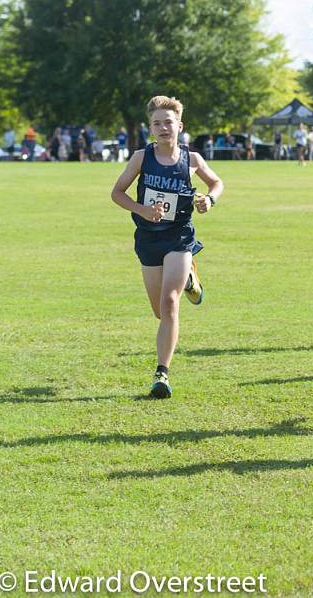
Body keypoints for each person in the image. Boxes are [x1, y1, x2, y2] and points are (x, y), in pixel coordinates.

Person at [110, 96, 223, 399]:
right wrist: (142, 209)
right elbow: (117, 193)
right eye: (157, 123)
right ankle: (189, 278)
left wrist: (208, 200)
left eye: (168, 122)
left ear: (179, 126)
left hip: (178, 236)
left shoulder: (192, 159)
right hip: (148, 238)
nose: (163, 128)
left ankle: (162, 373)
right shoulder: (140, 158)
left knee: (170, 302)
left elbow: (216, 183)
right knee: (159, 311)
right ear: (151, 127)